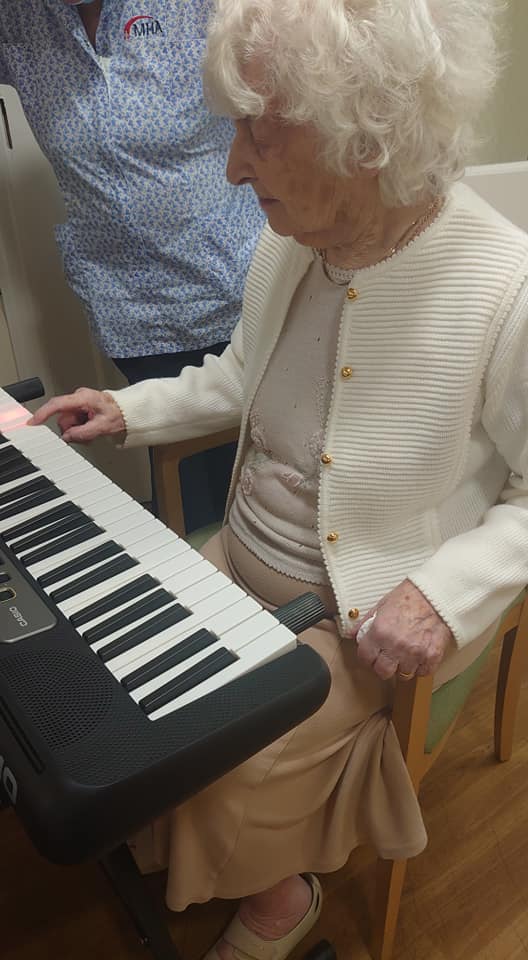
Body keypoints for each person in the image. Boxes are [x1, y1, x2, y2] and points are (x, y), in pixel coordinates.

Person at [31, 1, 528, 958]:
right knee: (119, 698)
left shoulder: (500, 287)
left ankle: (280, 901)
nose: (233, 167)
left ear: (369, 134)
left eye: (262, 131)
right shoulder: (291, 240)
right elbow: (238, 378)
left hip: (359, 627)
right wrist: (129, 410)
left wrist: (442, 596)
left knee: (206, 756)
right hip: (231, 570)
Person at [0, 0, 264, 531]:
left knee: (268, 465)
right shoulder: (19, 17)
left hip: (238, 281)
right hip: (132, 309)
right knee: (187, 475)